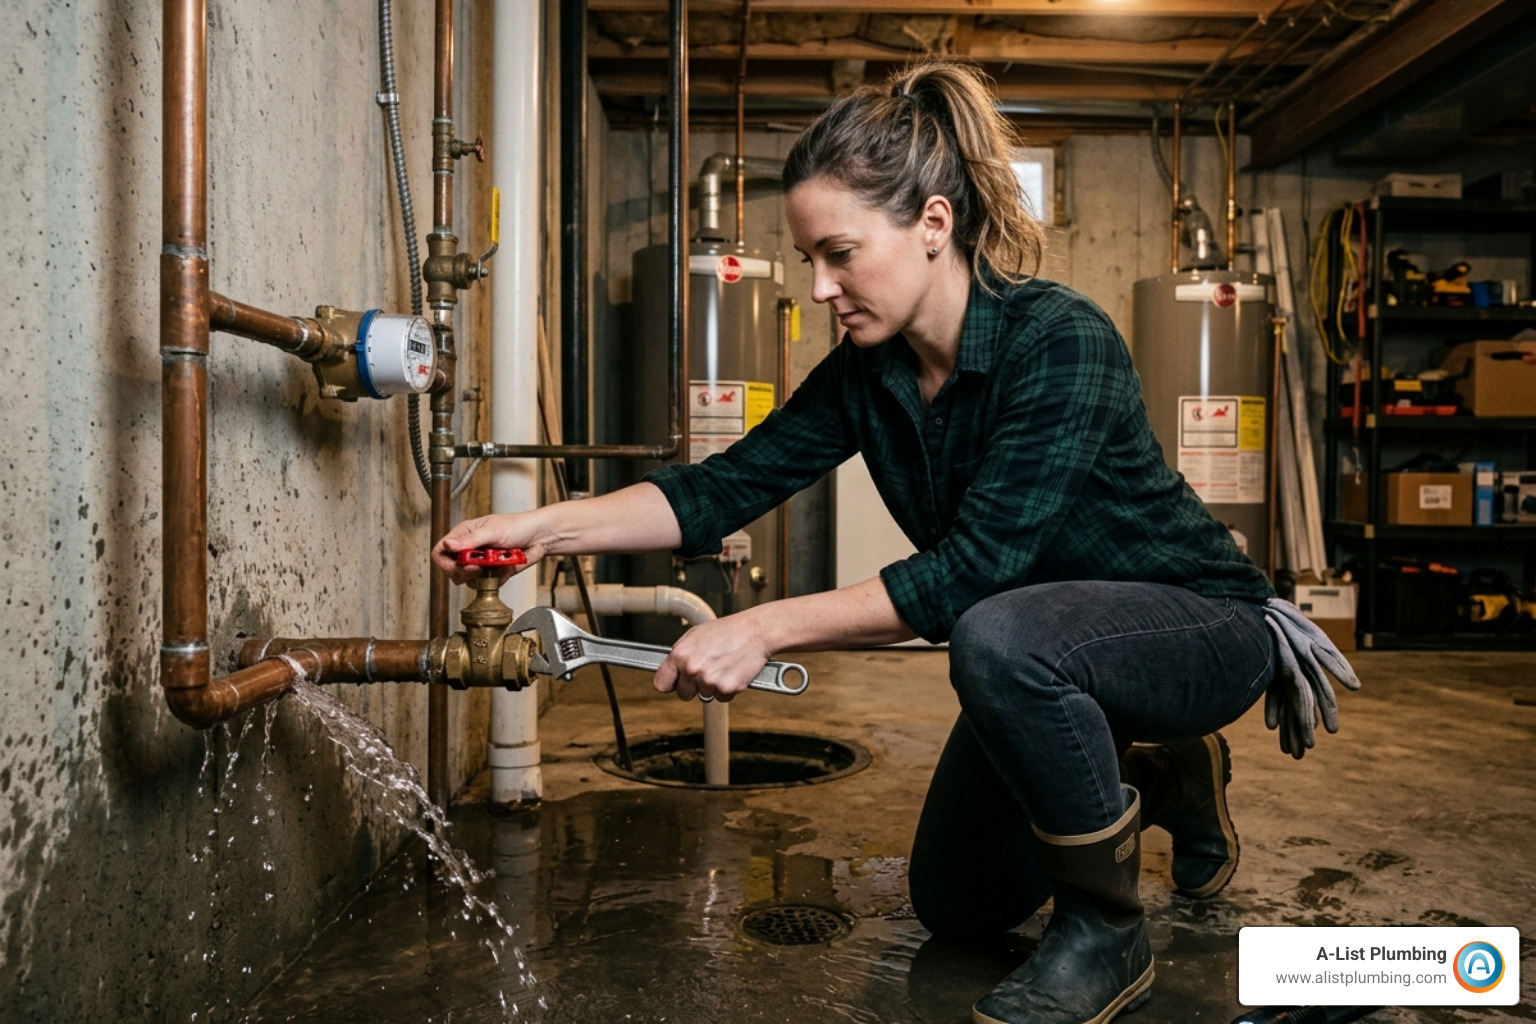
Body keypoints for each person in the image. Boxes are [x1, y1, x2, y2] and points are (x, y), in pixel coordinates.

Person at [434, 59, 1357, 1024]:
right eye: (809, 264)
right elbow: (721, 488)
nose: (822, 287)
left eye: (840, 253)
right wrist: (538, 527)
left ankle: (1106, 930)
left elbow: (972, 576)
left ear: (932, 224)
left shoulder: (1060, 340)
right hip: (1047, 645)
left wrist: (766, 627)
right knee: (957, 907)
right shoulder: (868, 375)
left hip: (1198, 628)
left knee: (993, 635)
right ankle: (1164, 780)